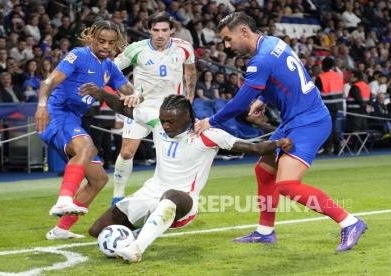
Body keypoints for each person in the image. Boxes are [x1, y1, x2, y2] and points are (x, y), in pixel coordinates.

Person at [194, 12, 366, 252]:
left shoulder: (259, 59)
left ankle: (350, 222)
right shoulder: (274, 43)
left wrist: (211, 121)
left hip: (309, 122)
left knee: (286, 185)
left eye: (227, 39)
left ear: (243, 32)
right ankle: (265, 231)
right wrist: (263, 98)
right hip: (296, 119)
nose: (226, 45)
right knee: (264, 171)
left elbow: (242, 100)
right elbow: (284, 76)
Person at [79, 89, 292, 262]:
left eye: (171, 121)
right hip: (149, 193)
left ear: (187, 117)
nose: (165, 125)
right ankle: (132, 237)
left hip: (183, 202)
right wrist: (101, 93)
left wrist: (278, 143)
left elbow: (253, 148)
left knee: (171, 195)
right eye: (163, 120)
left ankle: (136, 249)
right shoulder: (156, 121)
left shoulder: (208, 135)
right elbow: (123, 108)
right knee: (97, 230)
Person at [34, 20, 140, 240]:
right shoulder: (79, 55)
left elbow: (129, 91)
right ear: (91, 37)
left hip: (73, 119)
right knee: (87, 147)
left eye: (111, 43)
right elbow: (48, 82)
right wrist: (42, 107)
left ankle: (60, 230)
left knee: (99, 180)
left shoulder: (109, 66)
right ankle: (64, 199)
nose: (105, 46)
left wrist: (134, 95)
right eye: (101, 41)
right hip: (57, 114)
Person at [111, 12, 197, 205]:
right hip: (141, 108)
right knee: (126, 152)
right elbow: (111, 69)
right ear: (149, 30)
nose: (160, 34)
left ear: (172, 30)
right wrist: (124, 91)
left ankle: (173, 196)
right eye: (156, 30)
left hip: (170, 110)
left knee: (169, 157)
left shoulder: (183, 48)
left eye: (164, 30)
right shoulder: (136, 49)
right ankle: (117, 196)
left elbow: (190, 72)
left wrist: (189, 98)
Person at [315, 57, 344, 155]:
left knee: (327, 127)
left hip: (326, 106)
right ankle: (337, 147)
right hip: (338, 105)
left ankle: (328, 148)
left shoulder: (321, 77)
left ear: (323, 66)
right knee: (333, 126)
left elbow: (316, 94)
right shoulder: (338, 76)